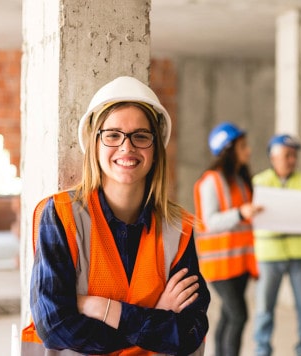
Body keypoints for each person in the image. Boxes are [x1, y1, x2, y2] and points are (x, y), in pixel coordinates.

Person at [21, 76, 210, 355]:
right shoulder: (61, 215)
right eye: (113, 135)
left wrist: (103, 308)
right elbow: (55, 325)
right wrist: (154, 317)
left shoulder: (178, 228)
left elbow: (189, 332)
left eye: (141, 136)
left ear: (156, 149)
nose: (127, 147)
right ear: (94, 146)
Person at [193, 122, 262, 356]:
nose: (249, 151)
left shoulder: (241, 180)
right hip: (219, 265)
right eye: (243, 146)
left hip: (239, 262)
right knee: (239, 315)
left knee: (228, 315)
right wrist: (241, 213)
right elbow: (210, 221)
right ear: (228, 149)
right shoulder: (211, 181)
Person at [252, 134, 301, 356]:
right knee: (264, 310)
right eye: (287, 155)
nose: (292, 160)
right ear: (273, 157)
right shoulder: (258, 182)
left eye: (294, 155)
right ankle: (262, 350)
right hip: (270, 254)